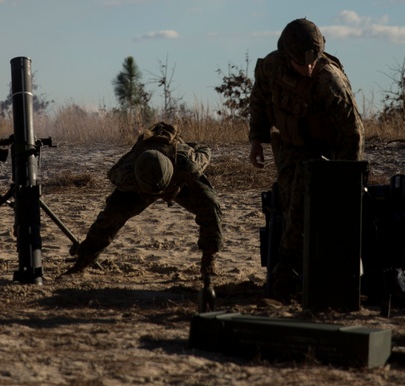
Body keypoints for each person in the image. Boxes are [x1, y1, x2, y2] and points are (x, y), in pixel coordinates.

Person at [248, 18, 364, 303]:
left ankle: (288, 276)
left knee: (304, 209)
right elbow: (260, 99)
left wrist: (348, 181)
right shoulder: (271, 66)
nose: (309, 67)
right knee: (290, 206)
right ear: (288, 58)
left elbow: (353, 134)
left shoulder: (329, 80)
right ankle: (291, 272)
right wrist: (256, 139)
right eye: (302, 63)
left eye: (313, 61)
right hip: (289, 148)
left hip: (327, 154)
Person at [65, 122, 223, 279]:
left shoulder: (188, 165)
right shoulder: (125, 173)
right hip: (138, 187)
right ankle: (82, 262)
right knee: (110, 218)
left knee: (210, 205)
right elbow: (112, 174)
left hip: (177, 180)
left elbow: (204, 150)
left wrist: (188, 153)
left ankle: (209, 259)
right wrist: (139, 189)